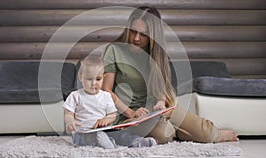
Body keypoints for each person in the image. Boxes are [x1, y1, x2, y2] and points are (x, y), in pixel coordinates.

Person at [102, 6, 239, 144]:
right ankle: (176, 130)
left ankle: (203, 132)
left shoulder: (157, 54)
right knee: (164, 135)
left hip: (155, 112)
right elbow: (106, 90)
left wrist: (161, 103)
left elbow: (161, 90)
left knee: (208, 135)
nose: (136, 38)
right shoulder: (114, 50)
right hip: (128, 117)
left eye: (143, 34)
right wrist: (131, 113)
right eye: (133, 31)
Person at [63, 55, 157, 149]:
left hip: (104, 130)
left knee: (120, 134)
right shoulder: (75, 96)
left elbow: (112, 115)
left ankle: (138, 142)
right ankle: (110, 145)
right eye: (89, 79)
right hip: (82, 133)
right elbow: (68, 113)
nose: (93, 83)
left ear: (104, 77)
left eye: (98, 79)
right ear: (80, 77)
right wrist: (70, 121)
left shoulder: (106, 96)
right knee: (95, 137)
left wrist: (106, 120)